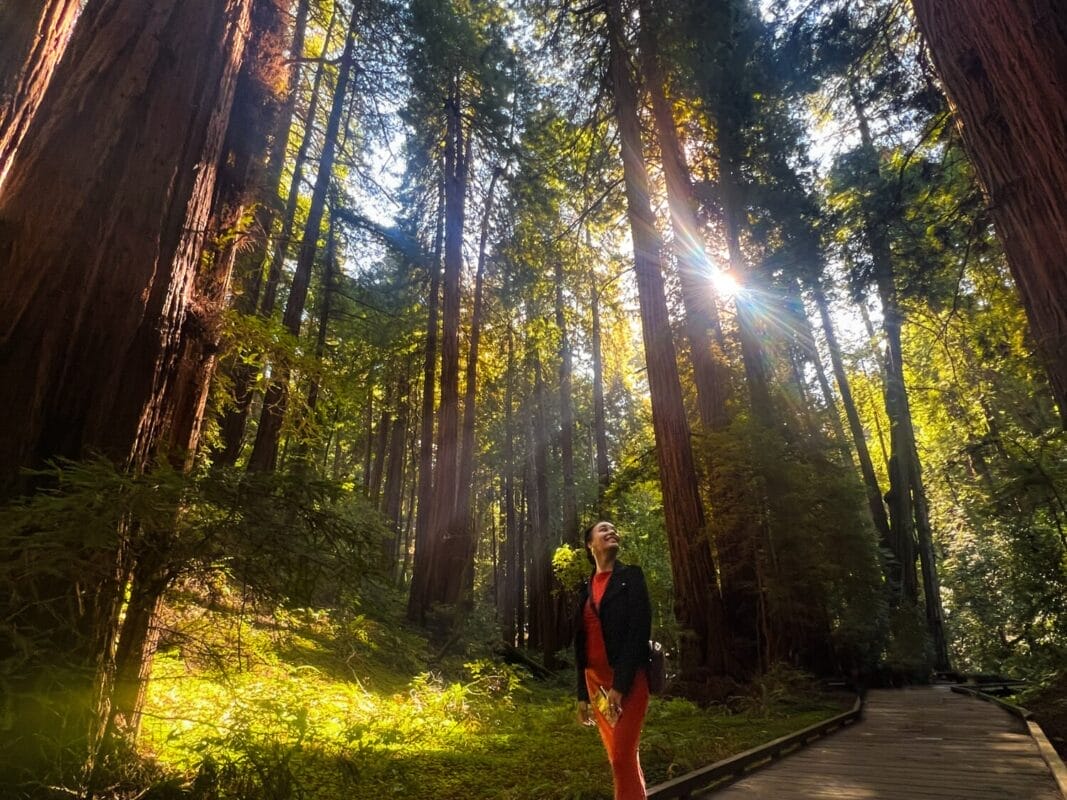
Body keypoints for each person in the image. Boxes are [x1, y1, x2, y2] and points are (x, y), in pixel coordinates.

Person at [574, 520, 652, 800]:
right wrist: (582, 695)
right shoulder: (584, 589)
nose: (611, 532)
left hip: (628, 683)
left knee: (621, 755)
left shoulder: (631, 577)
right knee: (621, 757)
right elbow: (580, 644)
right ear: (590, 545)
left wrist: (620, 686)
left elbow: (638, 631)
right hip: (597, 687)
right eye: (603, 530)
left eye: (613, 529)